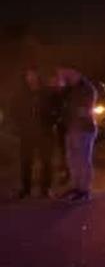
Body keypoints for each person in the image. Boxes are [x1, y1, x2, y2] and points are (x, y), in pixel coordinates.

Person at [9, 67, 56, 198]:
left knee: (46, 161)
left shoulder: (46, 92)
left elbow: (55, 108)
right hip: (27, 133)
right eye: (28, 75)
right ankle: (25, 189)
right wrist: (19, 125)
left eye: (33, 75)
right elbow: (13, 111)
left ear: (38, 76)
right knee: (26, 161)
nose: (31, 78)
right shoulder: (20, 94)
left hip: (45, 132)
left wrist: (51, 121)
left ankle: (46, 188)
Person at [56, 68, 98, 202]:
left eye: (65, 73)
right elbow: (61, 104)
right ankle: (76, 186)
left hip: (84, 129)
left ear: (75, 72)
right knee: (72, 159)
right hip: (71, 128)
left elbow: (84, 108)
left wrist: (73, 113)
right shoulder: (69, 89)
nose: (63, 76)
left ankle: (84, 189)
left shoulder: (86, 88)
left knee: (83, 160)